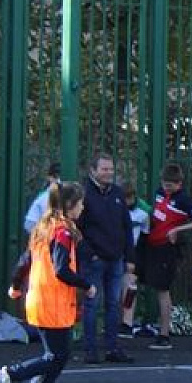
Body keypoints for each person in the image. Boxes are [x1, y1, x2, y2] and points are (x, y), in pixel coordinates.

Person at [0, 183, 96, 383]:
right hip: (52, 302)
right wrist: (87, 285)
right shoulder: (62, 232)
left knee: (58, 356)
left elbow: (24, 260)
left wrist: (16, 285)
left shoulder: (43, 228)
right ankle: (4, 376)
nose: (82, 207)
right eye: (80, 203)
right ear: (69, 205)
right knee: (55, 357)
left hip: (41, 299)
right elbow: (61, 270)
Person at [139, 164, 192, 350]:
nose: (167, 188)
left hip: (166, 248)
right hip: (151, 244)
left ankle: (164, 335)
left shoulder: (184, 200)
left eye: (170, 186)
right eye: (165, 184)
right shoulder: (159, 193)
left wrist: (178, 229)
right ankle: (135, 323)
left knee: (163, 290)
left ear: (179, 184)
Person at [77, 153, 136, 364]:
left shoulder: (118, 193)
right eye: (104, 169)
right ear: (93, 171)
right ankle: (90, 350)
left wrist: (130, 257)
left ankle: (112, 348)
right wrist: (89, 254)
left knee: (114, 304)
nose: (109, 173)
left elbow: (127, 226)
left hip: (116, 259)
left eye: (111, 169)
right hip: (94, 260)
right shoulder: (84, 194)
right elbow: (76, 229)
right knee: (92, 304)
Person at [119, 184, 151, 338]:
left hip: (133, 251)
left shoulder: (144, 211)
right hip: (116, 249)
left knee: (129, 286)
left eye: (129, 199)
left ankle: (128, 322)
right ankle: (117, 320)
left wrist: (136, 258)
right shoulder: (116, 207)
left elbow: (145, 235)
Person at [22, 162, 61, 235]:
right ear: (50, 178)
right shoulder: (45, 197)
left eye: (61, 177)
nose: (59, 180)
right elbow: (29, 224)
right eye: (56, 177)